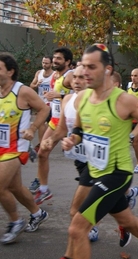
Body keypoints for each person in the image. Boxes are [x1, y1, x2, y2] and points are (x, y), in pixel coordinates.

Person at [61, 43, 138, 259]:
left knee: (77, 227)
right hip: (95, 170)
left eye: (92, 67)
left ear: (107, 69)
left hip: (117, 174)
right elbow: (80, 130)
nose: (84, 72)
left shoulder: (123, 100)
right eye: (83, 66)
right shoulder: (82, 99)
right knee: (126, 220)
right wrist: (72, 139)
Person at [0, 52, 50, 244]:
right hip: (1, 146)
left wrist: (32, 127)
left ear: (11, 71)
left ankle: (16, 221)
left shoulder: (22, 91)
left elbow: (44, 109)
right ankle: (38, 213)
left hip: (16, 147)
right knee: (14, 187)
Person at [30, 47, 74, 205]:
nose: (55, 60)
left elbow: (83, 94)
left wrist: (60, 95)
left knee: (88, 162)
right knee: (42, 152)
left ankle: (124, 192)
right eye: (54, 57)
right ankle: (43, 188)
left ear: (67, 62)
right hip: (56, 120)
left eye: (59, 58)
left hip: (70, 122)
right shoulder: (56, 75)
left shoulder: (70, 77)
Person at [29, 55, 54, 148]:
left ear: (51, 64)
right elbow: (31, 86)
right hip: (40, 102)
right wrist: (36, 84)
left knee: (47, 123)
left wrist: (51, 93)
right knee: (42, 123)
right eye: (43, 62)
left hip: (50, 102)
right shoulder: (39, 73)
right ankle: (42, 143)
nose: (44, 65)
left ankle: (44, 143)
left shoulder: (54, 75)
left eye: (46, 63)